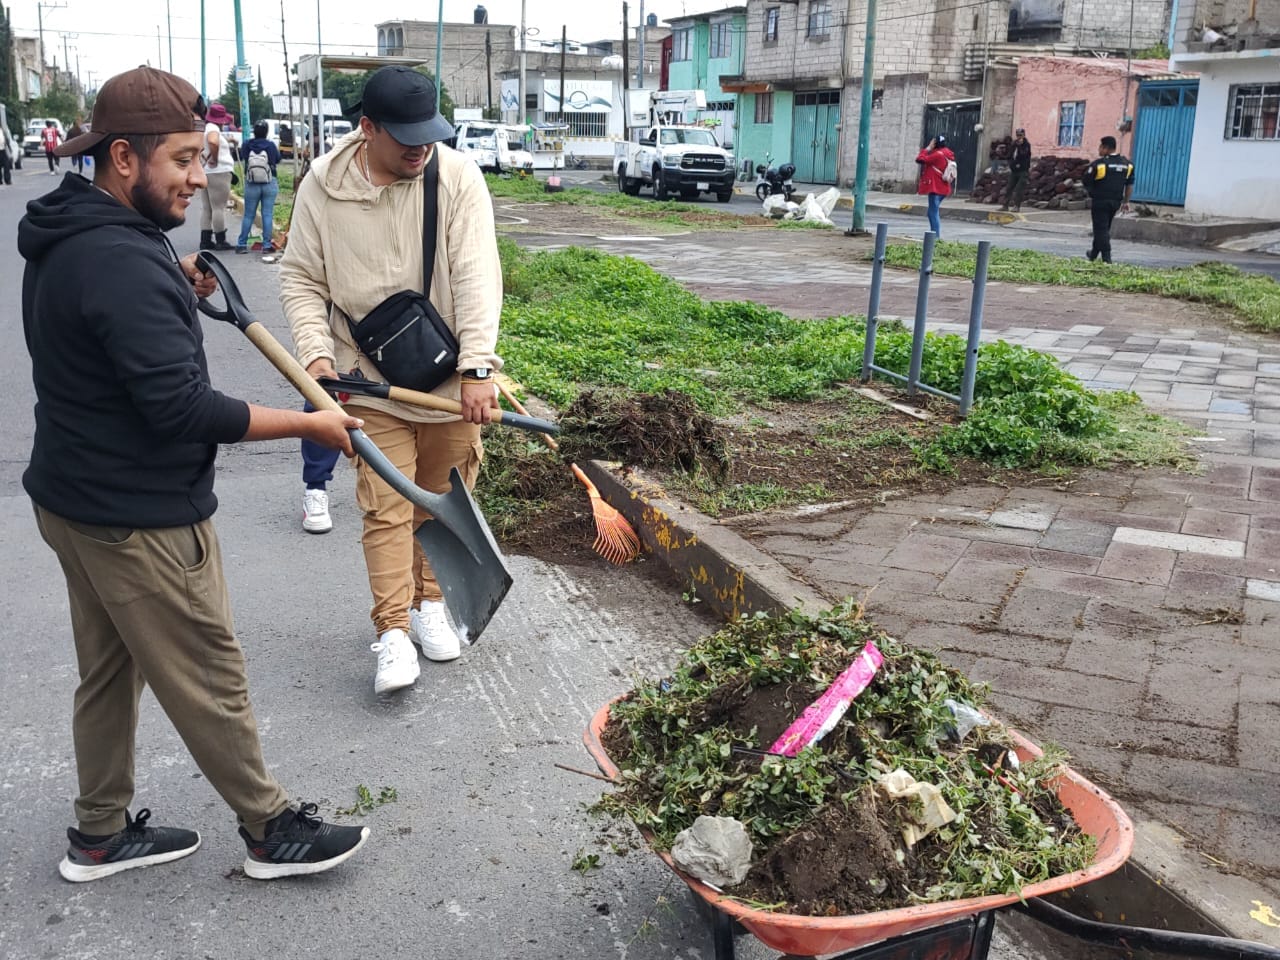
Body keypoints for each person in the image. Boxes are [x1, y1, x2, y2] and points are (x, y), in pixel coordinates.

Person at [19, 66, 371, 883]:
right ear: (121, 159)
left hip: (74, 500)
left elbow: (102, 318)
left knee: (109, 672)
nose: (196, 177)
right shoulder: (121, 262)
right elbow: (183, 410)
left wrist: (172, 279)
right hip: (138, 513)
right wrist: (312, 423)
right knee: (209, 671)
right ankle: (270, 828)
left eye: (199, 155)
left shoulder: (80, 234)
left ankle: (99, 835)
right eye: (180, 158)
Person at [281, 66, 503, 695]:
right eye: (403, 135)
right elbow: (302, 278)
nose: (419, 147)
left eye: (428, 134)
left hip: (450, 378)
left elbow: (477, 276)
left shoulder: (456, 178)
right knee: (386, 508)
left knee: (443, 497)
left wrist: (480, 366)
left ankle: (431, 604)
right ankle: (392, 632)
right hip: (363, 378)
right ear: (367, 128)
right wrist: (317, 358)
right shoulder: (323, 187)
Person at [1083, 135, 1134, 264]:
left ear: (1105, 148)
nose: (1099, 150)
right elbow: (1129, 184)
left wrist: (1092, 193)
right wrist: (1126, 202)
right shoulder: (1127, 165)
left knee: (1101, 230)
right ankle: (1094, 253)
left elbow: (1087, 181)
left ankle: (1107, 258)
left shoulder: (1099, 165)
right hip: (1115, 202)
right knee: (1103, 229)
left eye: (1100, 147)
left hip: (1100, 202)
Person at [236, 119, 281, 254]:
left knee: (249, 215)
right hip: (269, 181)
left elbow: (244, 157)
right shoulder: (271, 145)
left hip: (252, 183)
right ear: (266, 132)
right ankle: (266, 246)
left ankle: (242, 244)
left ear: (254, 131)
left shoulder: (247, 144)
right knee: (267, 214)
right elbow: (277, 159)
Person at [198, 102, 236, 250]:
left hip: (206, 171)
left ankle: (205, 240)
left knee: (207, 208)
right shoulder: (213, 129)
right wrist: (214, 158)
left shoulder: (205, 128)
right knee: (219, 207)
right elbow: (213, 142)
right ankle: (221, 240)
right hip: (219, 171)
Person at [916, 135, 956, 238]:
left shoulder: (937, 155)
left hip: (935, 187)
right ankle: (935, 235)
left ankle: (935, 237)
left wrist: (928, 148)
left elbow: (919, 159)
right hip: (944, 188)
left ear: (934, 144)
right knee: (932, 212)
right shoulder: (948, 153)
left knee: (933, 213)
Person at [1000, 128, 1032, 212]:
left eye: (1020, 135)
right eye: (1017, 135)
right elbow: (1010, 155)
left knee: (1019, 189)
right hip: (1014, 170)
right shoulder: (1014, 144)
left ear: (1024, 135)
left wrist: (1020, 145)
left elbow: (1024, 154)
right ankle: (1005, 205)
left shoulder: (1026, 145)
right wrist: (1009, 162)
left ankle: (1017, 206)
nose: (1019, 137)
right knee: (1009, 188)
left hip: (1023, 170)